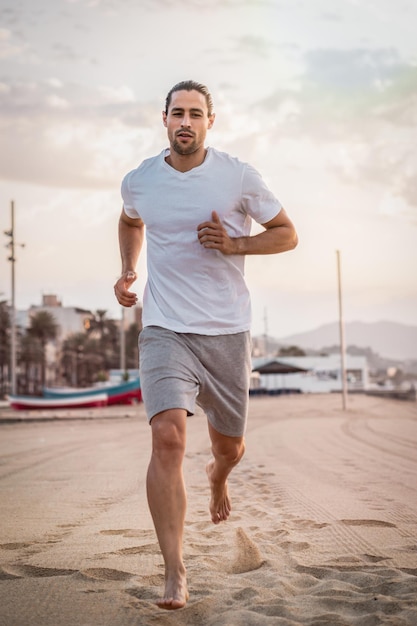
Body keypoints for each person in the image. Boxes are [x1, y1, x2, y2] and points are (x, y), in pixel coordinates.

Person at [114, 80, 298, 610]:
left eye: (196, 113)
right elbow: (130, 221)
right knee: (168, 439)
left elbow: (287, 232)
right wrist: (129, 269)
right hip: (165, 327)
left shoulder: (237, 175)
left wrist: (236, 243)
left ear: (210, 122)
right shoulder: (140, 180)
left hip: (226, 330)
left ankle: (219, 476)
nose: (186, 122)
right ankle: (174, 571)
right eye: (178, 113)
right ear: (165, 119)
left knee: (228, 448)